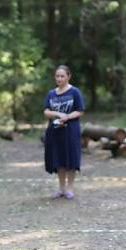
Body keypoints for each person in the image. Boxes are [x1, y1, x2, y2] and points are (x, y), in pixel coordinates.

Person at [43, 65, 85, 199]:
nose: (59, 78)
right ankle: (61, 188)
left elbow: (80, 110)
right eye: (57, 76)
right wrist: (58, 114)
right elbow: (46, 111)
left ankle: (70, 188)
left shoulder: (75, 92)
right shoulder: (51, 94)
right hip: (55, 131)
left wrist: (67, 117)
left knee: (71, 158)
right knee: (58, 159)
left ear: (68, 76)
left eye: (62, 76)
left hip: (71, 131)